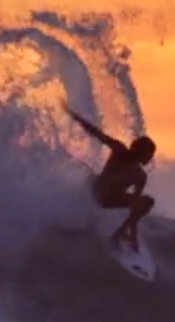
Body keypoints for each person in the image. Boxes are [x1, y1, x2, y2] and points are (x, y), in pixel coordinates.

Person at [61, 100, 156, 252]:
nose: (150, 158)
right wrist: (73, 115)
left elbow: (136, 208)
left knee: (147, 202)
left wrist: (133, 232)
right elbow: (96, 133)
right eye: (149, 154)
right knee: (90, 176)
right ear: (140, 151)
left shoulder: (140, 176)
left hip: (110, 200)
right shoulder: (119, 150)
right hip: (96, 192)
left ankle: (120, 234)